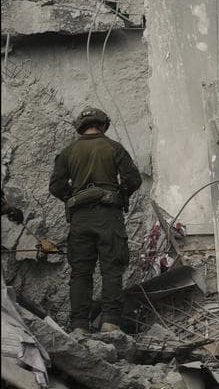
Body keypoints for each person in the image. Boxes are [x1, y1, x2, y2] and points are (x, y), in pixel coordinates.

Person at [48, 107, 141, 337]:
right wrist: (120, 193)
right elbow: (133, 179)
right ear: (102, 125)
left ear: (81, 126)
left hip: (80, 219)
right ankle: (110, 323)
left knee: (80, 273)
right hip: (108, 217)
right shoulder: (113, 148)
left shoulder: (69, 152)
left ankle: (79, 326)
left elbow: (56, 186)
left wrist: (74, 197)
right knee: (111, 270)